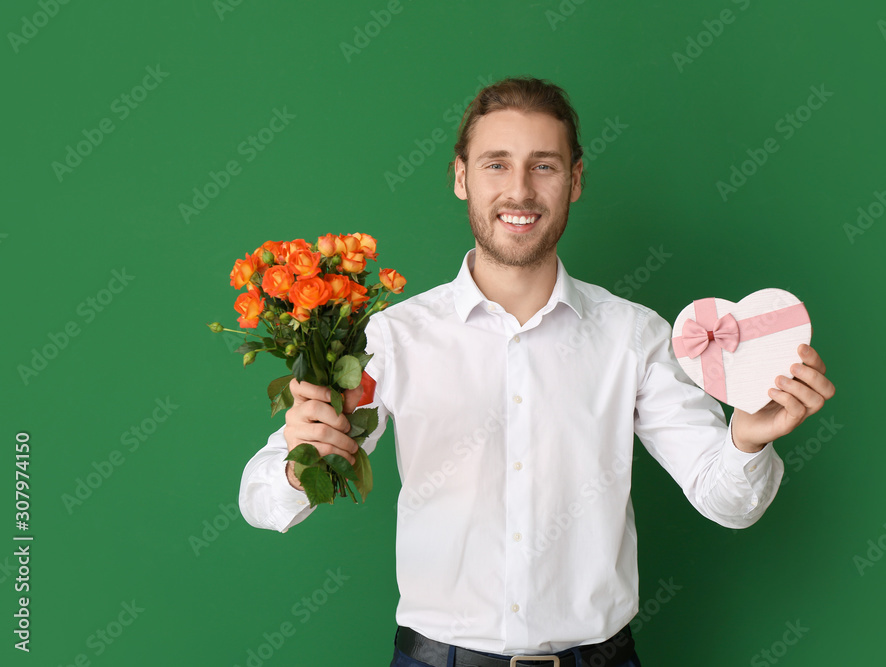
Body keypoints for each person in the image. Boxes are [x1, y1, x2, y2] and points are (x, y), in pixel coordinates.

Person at [239, 77, 836, 667]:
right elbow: (261, 503)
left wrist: (747, 438)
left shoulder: (633, 335)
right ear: (460, 177)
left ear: (574, 180)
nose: (519, 191)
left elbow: (727, 501)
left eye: (543, 166)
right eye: (496, 165)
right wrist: (301, 458)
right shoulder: (394, 338)